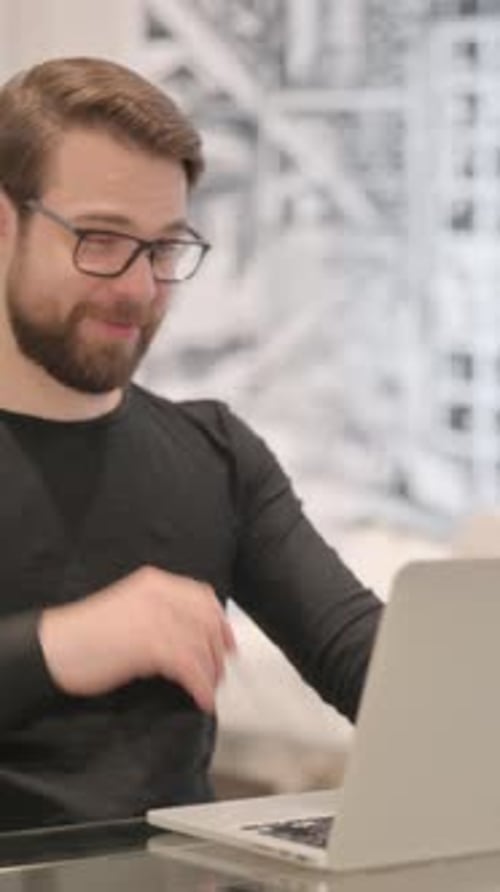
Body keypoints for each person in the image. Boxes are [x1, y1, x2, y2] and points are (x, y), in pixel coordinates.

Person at [0, 56, 382, 831]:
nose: (140, 290)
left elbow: (372, 663)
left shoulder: (217, 457)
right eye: (102, 241)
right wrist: (55, 648)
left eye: (165, 248)